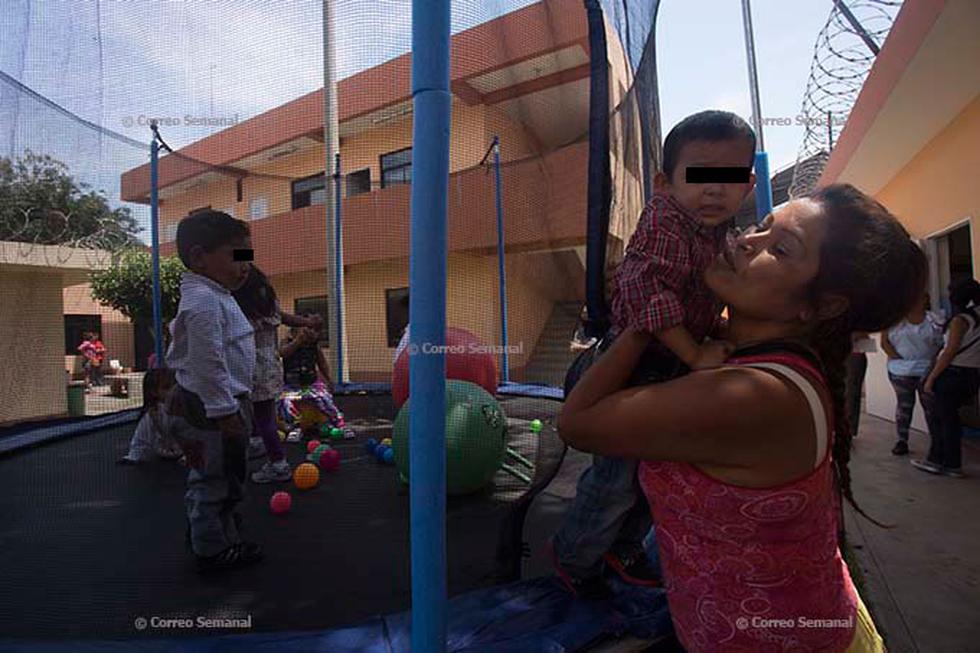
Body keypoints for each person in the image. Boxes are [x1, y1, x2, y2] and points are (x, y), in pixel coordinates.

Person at [559, 184, 924, 652]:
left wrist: (646, 316)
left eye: (781, 248)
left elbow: (577, 422)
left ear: (823, 305)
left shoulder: (752, 396)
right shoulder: (754, 357)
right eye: (762, 226)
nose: (747, 241)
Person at [551, 110, 757, 597]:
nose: (712, 190)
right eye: (698, 176)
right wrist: (695, 352)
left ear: (747, 185)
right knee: (616, 479)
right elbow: (648, 291)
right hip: (627, 368)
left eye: (726, 179)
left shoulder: (720, 235)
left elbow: (710, 294)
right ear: (665, 183)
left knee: (655, 472)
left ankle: (619, 548)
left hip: (667, 371)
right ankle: (574, 558)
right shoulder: (665, 218)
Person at [163, 210, 263, 573]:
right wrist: (224, 413)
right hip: (211, 409)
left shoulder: (214, 293)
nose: (246, 264)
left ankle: (215, 532)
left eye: (247, 256)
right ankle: (211, 550)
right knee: (214, 478)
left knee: (228, 475)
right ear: (199, 256)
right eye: (237, 255)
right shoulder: (203, 301)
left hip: (222, 403)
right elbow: (207, 361)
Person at [231, 265, 322, 483]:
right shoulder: (267, 305)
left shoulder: (241, 309)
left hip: (253, 366)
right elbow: (285, 317)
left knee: (263, 416)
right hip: (271, 365)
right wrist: (307, 321)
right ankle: (257, 441)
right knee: (260, 410)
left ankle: (278, 463)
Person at [915, 278, 980, 478]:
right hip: (972, 374)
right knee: (951, 419)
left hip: (953, 374)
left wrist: (931, 378)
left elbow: (950, 351)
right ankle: (949, 461)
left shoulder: (960, 321)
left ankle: (942, 461)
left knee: (942, 419)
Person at [880, 289, 943, 455]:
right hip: (901, 371)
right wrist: (899, 359)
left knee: (930, 408)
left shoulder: (934, 320)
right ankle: (902, 440)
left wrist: (933, 362)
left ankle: (937, 443)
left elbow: (943, 344)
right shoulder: (895, 321)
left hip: (927, 370)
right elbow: (885, 342)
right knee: (904, 406)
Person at [278, 325, 345, 442]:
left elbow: (322, 363)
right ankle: (296, 426)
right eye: (306, 329)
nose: (310, 332)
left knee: (324, 397)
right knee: (285, 401)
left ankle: (338, 422)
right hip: (291, 385)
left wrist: (329, 379)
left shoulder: (313, 345)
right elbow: (282, 353)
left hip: (311, 384)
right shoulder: (286, 342)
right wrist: (297, 341)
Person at [117, 367, 183, 464]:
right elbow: (140, 437)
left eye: (175, 386)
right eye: (167, 387)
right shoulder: (153, 413)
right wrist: (133, 456)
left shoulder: (183, 407)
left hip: (182, 453)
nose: (173, 391)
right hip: (163, 454)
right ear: (154, 392)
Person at [845, 333, 876, 437]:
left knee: (851, 395)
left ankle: (848, 431)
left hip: (854, 356)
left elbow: (865, 341)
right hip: (838, 356)